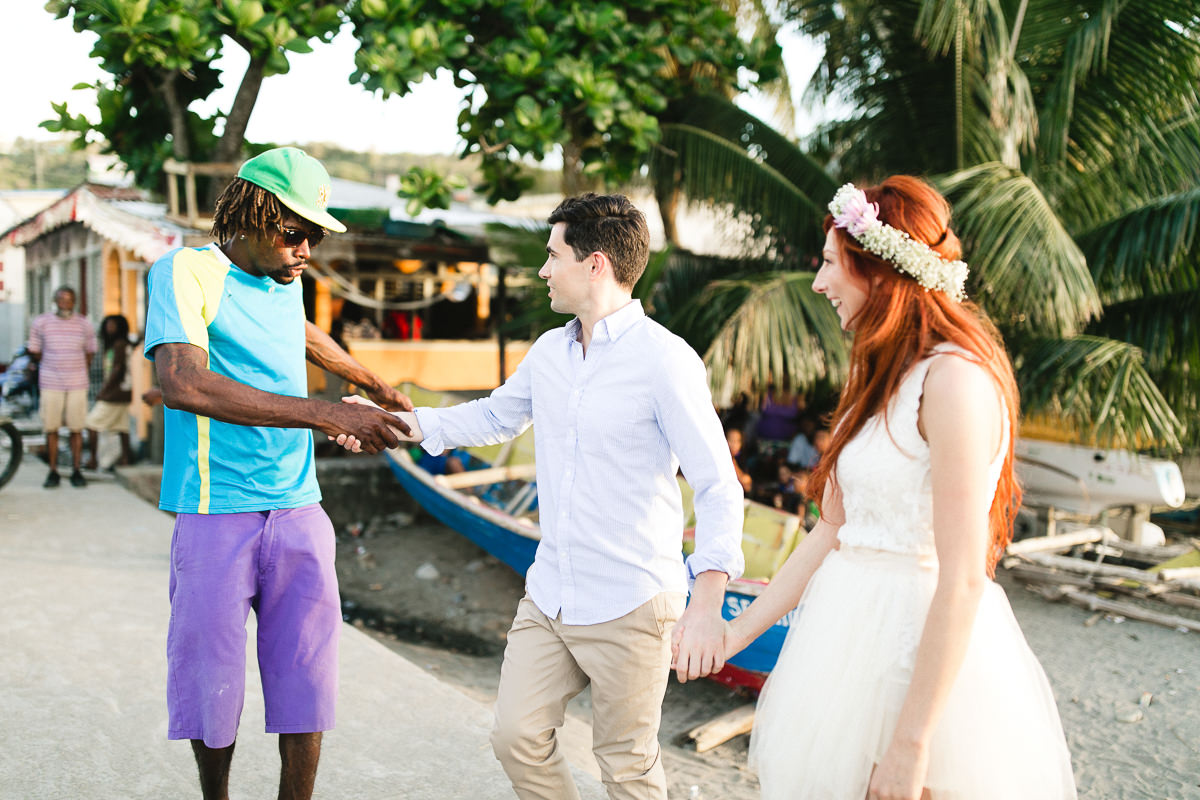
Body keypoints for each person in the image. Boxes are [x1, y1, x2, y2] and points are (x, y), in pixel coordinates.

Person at [339, 192, 745, 800]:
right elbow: (494, 418)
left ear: (596, 264)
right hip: (551, 592)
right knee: (515, 736)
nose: (543, 270)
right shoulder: (550, 351)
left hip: (633, 599)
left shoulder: (665, 361)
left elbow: (717, 482)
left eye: (553, 255)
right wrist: (391, 424)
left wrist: (708, 597)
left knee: (627, 766)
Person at [696, 177, 1076, 799]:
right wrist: (734, 637)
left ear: (878, 271)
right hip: (843, 646)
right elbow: (833, 532)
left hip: (921, 661)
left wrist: (911, 743)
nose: (818, 284)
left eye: (828, 264)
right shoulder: (873, 384)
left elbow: (964, 577)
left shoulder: (953, 383)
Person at [143, 146, 414, 800]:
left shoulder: (283, 281)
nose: (306, 249)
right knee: (213, 681)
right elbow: (181, 382)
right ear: (254, 215)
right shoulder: (186, 272)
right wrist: (328, 414)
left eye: (315, 236)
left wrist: (371, 382)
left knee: (306, 678)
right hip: (216, 511)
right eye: (295, 233)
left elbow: (302, 332)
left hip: (298, 509)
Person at [27, 285, 96, 488]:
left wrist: (75, 368)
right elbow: (35, 351)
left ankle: (76, 470)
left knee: (76, 428)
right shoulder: (41, 323)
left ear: (74, 302)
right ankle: (53, 471)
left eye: (69, 299)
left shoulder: (84, 324)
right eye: (61, 299)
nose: (65, 303)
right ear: (54, 301)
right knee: (51, 428)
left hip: (77, 382)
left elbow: (90, 352)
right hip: (50, 382)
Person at [83, 314, 134, 469]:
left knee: (91, 423)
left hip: (115, 393)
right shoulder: (118, 344)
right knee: (122, 426)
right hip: (123, 393)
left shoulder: (120, 344)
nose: (109, 328)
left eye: (113, 325)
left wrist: (104, 391)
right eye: (108, 325)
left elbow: (118, 370)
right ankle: (126, 458)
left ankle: (93, 460)